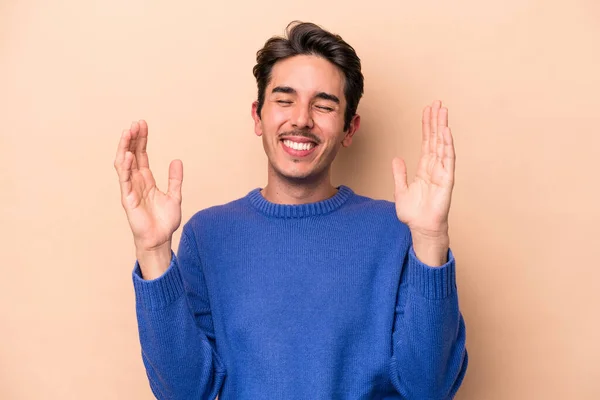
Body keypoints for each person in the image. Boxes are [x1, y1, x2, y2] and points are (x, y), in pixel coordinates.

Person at [114, 21, 468, 400]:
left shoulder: (396, 230)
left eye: (324, 105)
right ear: (257, 116)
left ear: (350, 129)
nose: (301, 118)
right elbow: (184, 392)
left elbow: (430, 387)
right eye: (284, 100)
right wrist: (152, 251)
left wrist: (431, 238)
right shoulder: (209, 234)